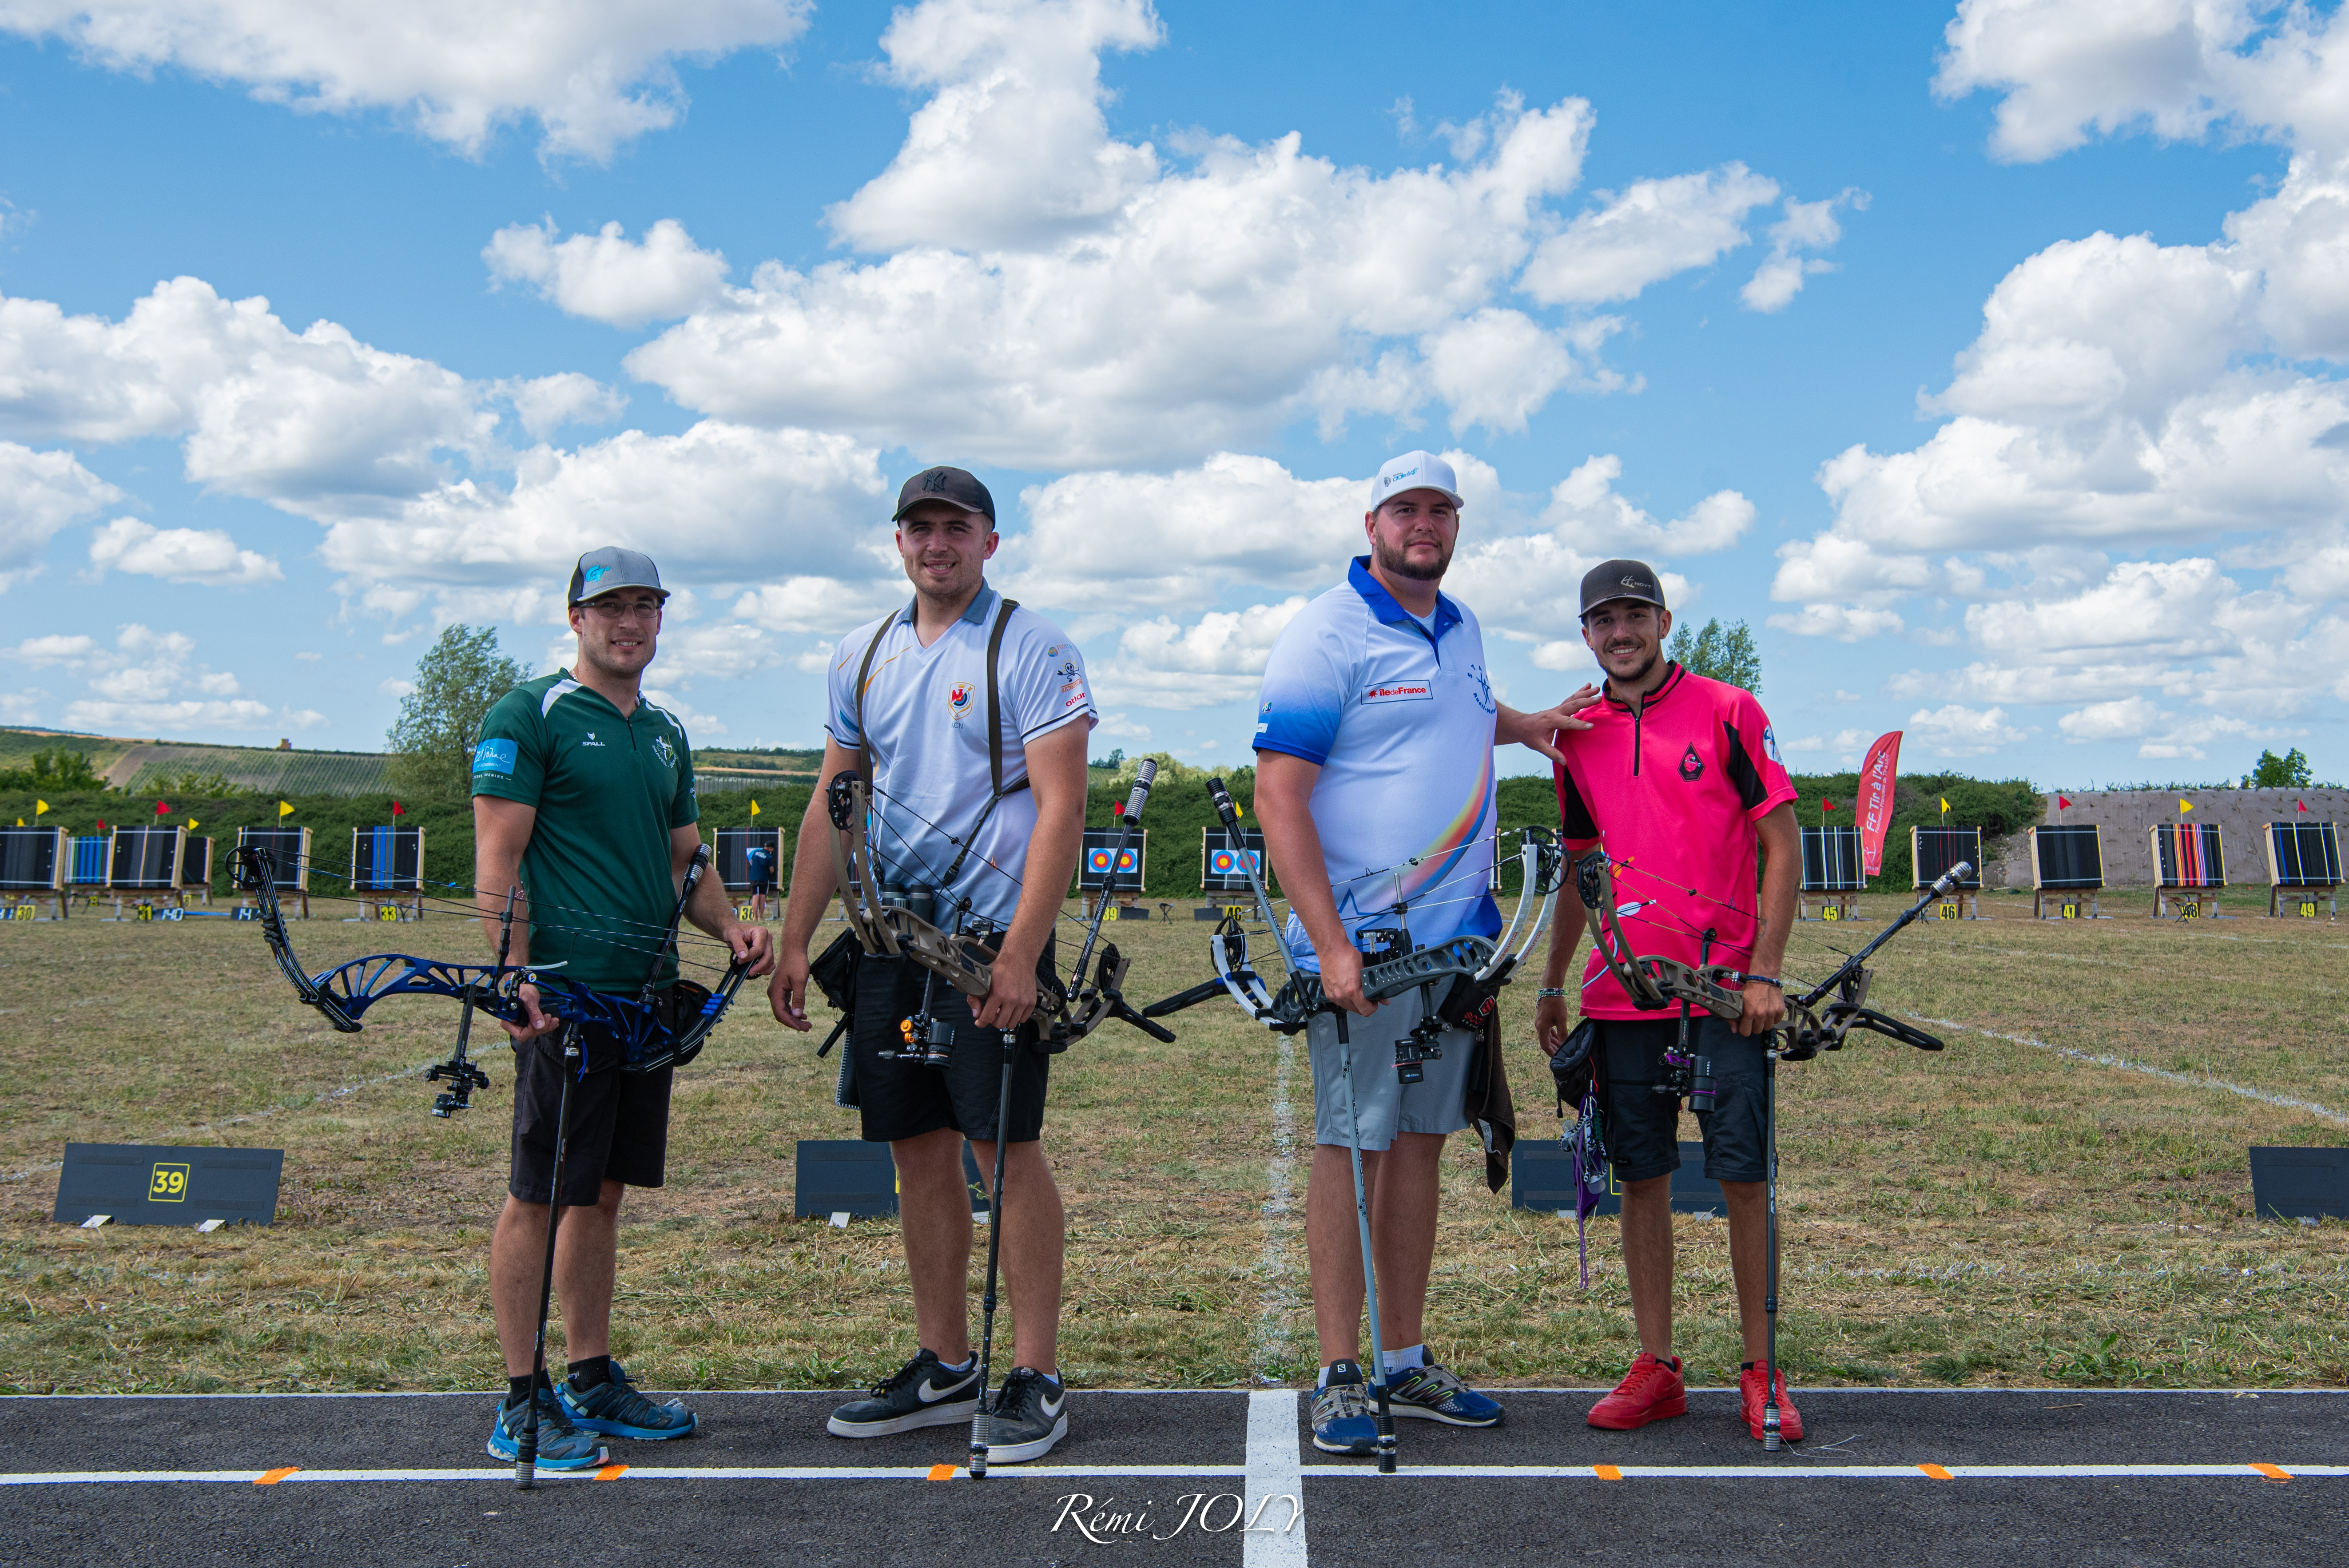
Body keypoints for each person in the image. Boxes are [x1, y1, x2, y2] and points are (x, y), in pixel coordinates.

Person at [1252, 450, 1596, 1456]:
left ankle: (1401, 1360)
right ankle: (1338, 1371)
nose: (1424, 525)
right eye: (1405, 509)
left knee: (1419, 1147)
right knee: (1350, 1144)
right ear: (1370, 524)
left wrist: (1526, 725)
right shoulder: (1324, 634)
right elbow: (1279, 795)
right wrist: (1328, 945)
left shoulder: (1462, 627)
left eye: (1440, 510)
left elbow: (1457, 713)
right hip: (1365, 946)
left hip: (1455, 946)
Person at [769, 465, 1093, 1465]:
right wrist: (793, 933)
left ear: (990, 542)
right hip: (888, 948)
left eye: (957, 527)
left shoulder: (1028, 646)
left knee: (1003, 1147)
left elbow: (1062, 810)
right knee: (916, 1149)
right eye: (919, 528)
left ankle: (1032, 1371)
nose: (936, 543)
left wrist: (1021, 954)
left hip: (984, 950)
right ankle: (945, 1358)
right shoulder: (860, 654)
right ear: (897, 541)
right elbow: (838, 800)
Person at [470, 546, 775, 1471]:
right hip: (565, 1000)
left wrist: (731, 929)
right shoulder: (531, 714)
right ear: (575, 617)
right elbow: (498, 855)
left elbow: (686, 857)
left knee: (599, 1195)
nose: (629, 623)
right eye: (610, 608)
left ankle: (591, 1375)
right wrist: (512, 970)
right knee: (540, 1194)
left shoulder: (665, 731)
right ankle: (521, 1402)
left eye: (645, 606)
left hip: (644, 1004)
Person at [1532, 559, 1803, 1443]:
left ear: (1663, 620)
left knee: (1740, 1176)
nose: (1620, 631)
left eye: (1634, 615)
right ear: (1585, 633)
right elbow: (1582, 867)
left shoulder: (1730, 712)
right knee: (1639, 1179)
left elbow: (1780, 845)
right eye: (1602, 619)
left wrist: (1763, 971)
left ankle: (1761, 1369)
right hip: (1619, 1000)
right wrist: (1551, 980)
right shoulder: (1574, 736)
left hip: (1722, 997)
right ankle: (1658, 1364)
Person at [745, 838, 776, 922]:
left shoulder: (755, 852)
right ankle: (760, 917)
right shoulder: (769, 857)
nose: (773, 851)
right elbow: (771, 869)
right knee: (762, 897)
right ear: (770, 848)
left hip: (753, 878)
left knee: (755, 897)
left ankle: (754, 917)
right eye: (773, 849)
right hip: (763, 879)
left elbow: (751, 861)